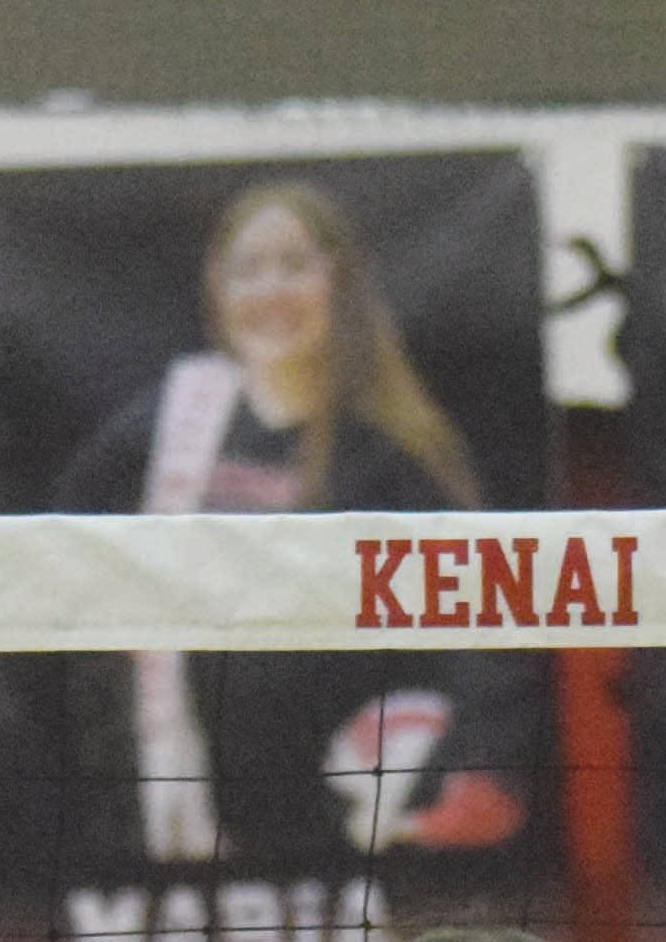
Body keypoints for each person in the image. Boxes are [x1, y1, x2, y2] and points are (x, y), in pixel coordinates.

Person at [51, 180, 532, 865]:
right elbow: (56, 549)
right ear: (216, 286)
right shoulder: (170, 421)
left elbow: (485, 622)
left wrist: (469, 764)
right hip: (180, 825)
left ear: (338, 279)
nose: (270, 290)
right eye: (248, 269)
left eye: (294, 265)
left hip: (347, 827)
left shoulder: (398, 445)